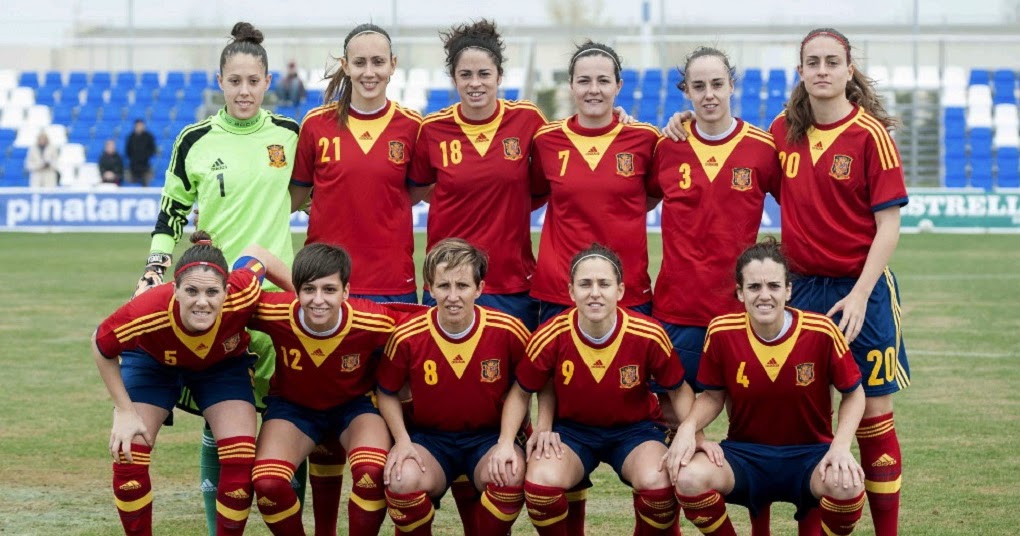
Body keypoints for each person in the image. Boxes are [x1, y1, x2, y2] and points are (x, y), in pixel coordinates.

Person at [133, 22, 314, 536]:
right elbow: (171, 211)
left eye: (252, 81)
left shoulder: (289, 135)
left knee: (284, 419)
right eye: (234, 81)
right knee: (222, 420)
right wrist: (154, 270)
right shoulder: (193, 139)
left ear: (267, 81)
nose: (243, 91)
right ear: (220, 81)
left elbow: (318, 200)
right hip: (213, 303)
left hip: (279, 300)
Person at [769, 28, 909, 536]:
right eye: (813, 62)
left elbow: (889, 226)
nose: (822, 70)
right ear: (801, 70)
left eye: (833, 62)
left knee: (873, 411)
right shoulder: (783, 130)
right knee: (810, 416)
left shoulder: (870, 135)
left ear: (849, 71)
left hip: (861, 290)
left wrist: (860, 293)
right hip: (802, 291)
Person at [92, 231, 292, 536]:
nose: (202, 302)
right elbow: (101, 344)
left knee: (240, 459)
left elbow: (257, 253)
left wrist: (303, 298)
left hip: (221, 367)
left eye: (212, 292)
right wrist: (124, 410)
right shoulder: (147, 310)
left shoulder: (243, 290)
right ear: (175, 289)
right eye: (191, 291)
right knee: (128, 453)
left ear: (227, 290)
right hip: (153, 364)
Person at [666, 237, 867, 536]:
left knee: (848, 484)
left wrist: (840, 446)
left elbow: (854, 394)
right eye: (754, 287)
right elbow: (712, 396)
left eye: (774, 286)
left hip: (810, 455)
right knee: (689, 477)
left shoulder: (821, 331)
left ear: (788, 290)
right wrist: (688, 426)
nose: (764, 296)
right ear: (739, 292)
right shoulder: (721, 331)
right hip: (745, 456)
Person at [497, 243, 692, 536]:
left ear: (620, 290)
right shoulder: (550, 334)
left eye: (604, 284)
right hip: (571, 432)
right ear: (572, 292)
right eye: (585, 284)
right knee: (541, 484)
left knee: (659, 483)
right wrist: (505, 442)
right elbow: (521, 391)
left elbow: (678, 390)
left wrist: (692, 435)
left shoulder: (648, 333)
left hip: (635, 431)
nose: (595, 292)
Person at [649, 47, 781, 427]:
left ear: (732, 86)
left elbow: (798, 203)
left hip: (742, 308)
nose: (709, 94)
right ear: (686, 92)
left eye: (717, 84)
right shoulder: (666, 145)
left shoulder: (762, 148)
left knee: (750, 412)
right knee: (669, 412)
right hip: (679, 308)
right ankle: (679, 487)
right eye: (699, 86)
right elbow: (635, 200)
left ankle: (743, 481)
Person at [377, 238, 530, 536]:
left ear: (480, 288)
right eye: (444, 286)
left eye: (462, 286)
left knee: (510, 473)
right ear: (430, 288)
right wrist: (402, 441)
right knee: (400, 479)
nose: (453, 296)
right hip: (430, 440)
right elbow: (386, 391)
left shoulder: (508, 329)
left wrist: (507, 440)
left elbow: (526, 387)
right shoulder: (408, 335)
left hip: (487, 438)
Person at [250, 243, 404, 536]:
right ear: (295, 290)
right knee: (268, 482)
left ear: (346, 291)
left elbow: (423, 333)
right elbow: (232, 300)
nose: (318, 300)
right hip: (293, 408)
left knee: (372, 472)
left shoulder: (374, 319)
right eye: (309, 289)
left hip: (355, 407)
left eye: (329, 290)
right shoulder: (275, 311)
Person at [409, 19, 548, 331]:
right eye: (465, 75)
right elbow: (416, 191)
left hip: (511, 282)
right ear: (454, 79)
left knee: (516, 376)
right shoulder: (432, 129)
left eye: (484, 74)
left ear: (499, 76)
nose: (476, 83)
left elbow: (542, 187)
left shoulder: (528, 120)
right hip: (448, 283)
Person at [290, 23, 423, 305]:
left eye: (378, 62)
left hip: (392, 280)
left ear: (393, 65)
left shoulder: (413, 126)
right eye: (359, 62)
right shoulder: (315, 125)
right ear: (345, 66)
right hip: (326, 282)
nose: (369, 72)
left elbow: (421, 192)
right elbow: (293, 198)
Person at [530, 41, 661, 325]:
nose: (594, 89)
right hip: (561, 290)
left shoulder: (646, 138)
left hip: (627, 288)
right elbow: (535, 193)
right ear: (571, 85)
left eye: (603, 80)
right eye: (584, 80)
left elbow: (649, 198)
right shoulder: (546, 139)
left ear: (618, 86)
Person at [124, 119, 156, 186]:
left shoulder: (148, 137)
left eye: (141, 125)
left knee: (147, 180)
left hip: (145, 165)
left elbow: (152, 150)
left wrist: (144, 156)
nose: (139, 127)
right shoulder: (130, 137)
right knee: (128, 180)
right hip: (133, 166)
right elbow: (128, 151)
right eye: (138, 125)